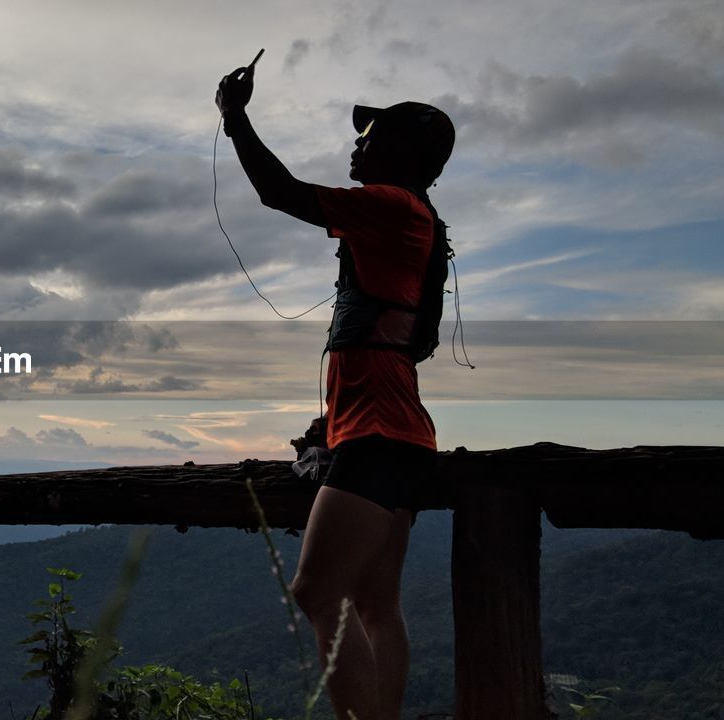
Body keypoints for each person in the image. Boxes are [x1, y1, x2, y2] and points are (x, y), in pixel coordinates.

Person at [216, 62, 454, 720]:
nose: (358, 142)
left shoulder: (389, 207)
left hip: (379, 435)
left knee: (318, 592)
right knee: (376, 605)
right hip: (398, 432)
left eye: (371, 132)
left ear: (402, 151)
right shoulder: (412, 220)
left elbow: (279, 191)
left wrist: (235, 118)